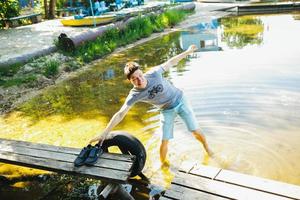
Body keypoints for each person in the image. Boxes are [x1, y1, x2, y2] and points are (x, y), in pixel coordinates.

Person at [89, 44, 213, 165]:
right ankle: (163, 166)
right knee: (164, 140)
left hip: (180, 100)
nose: (139, 80)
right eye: (134, 79)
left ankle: (207, 148)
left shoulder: (154, 73)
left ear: (142, 72)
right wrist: (105, 132)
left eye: (140, 75)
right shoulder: (134, 94)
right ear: (130, 81)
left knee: (194, 130)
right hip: (166, 110)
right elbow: (121, 113)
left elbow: (170, 62)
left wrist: (187, 52)